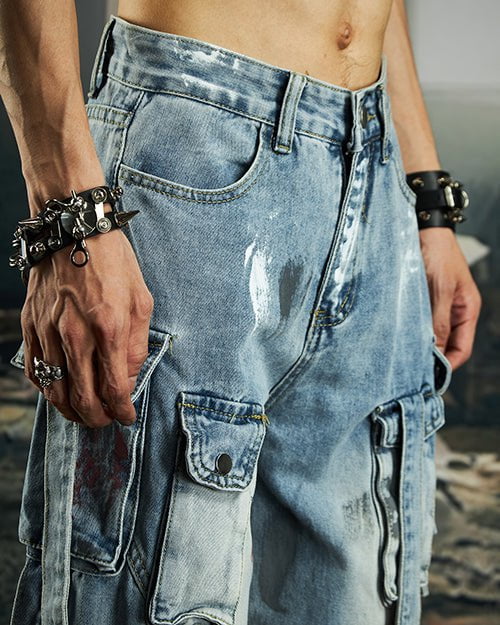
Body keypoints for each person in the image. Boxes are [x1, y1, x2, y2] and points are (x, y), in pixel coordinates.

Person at [1, 1, 481, 624]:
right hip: (199, 141)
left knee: (353, 597)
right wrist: (68, 216)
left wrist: (427, 198)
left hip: (375, 162)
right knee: (144, 594)